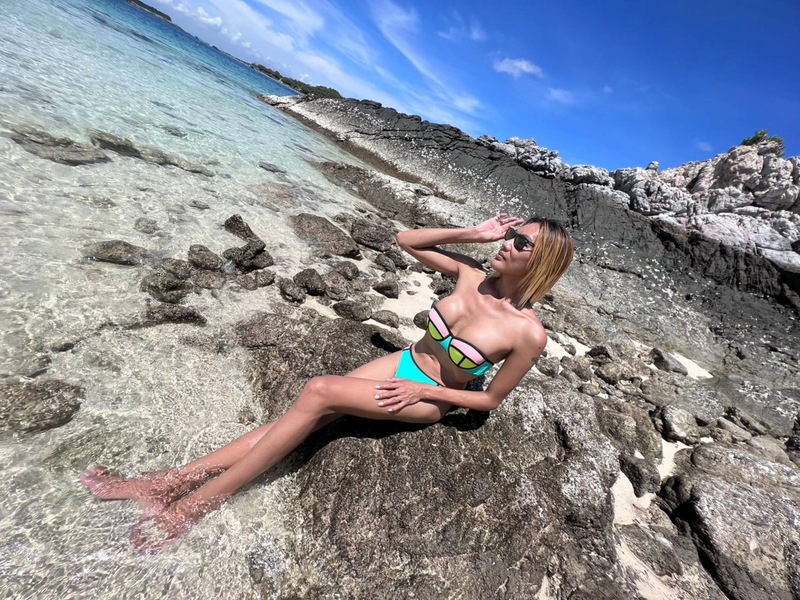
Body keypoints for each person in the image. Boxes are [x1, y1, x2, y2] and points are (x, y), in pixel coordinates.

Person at [81, 213, 574, 552]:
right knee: (296, 420)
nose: (507, 243)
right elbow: (406, 239)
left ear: (543, 260)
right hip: (402, 361)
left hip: (428, 397)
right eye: (511, 234)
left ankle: (194, 505)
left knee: (319, 392)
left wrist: (425, 391)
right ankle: (164, 483)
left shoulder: (528, 334)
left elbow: (490, 399)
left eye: (520, 242)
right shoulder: (471, 274)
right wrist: (473, 232)